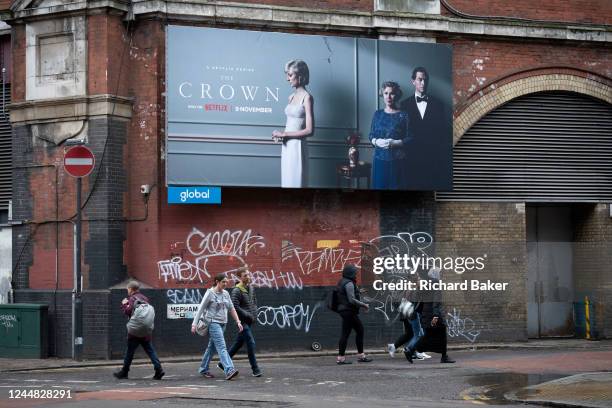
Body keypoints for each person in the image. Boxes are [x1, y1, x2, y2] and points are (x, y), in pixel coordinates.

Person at [191, 274, 244, 380]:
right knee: (222, 347)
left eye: (226, 282)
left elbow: (231, 308)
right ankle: (229, 370)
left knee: (211, 348)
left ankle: (203, 369)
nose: (225, 284)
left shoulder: (226, 294)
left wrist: (238, 321)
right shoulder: (210, 293)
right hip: (213, 323)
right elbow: (201, 309)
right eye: (223, 282)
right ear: (217, 281)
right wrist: (194, 324)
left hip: (223, 323)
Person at [272, 59, 314, 188]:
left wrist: (285, 134)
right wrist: (279, 135)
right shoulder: (290, 97)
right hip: (286, 146)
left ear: (300, 76)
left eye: (290, 75)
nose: (287, 79)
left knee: (297, 183)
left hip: (298, 147)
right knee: (287, 182)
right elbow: (290, 124)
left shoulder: (307, 97)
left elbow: (310, 130)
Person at [402, 67, 445, 185]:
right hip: (411, 158)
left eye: (425, 80)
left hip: (432, 158)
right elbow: (403, 131)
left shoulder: (438, 104)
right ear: (413, 81)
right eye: (420, 79)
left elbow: (442, 132)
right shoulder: (404, 104)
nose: (423, 83)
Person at [114, 280, 164, 380]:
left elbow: (128, 311)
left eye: (128, 289)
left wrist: (124, 304)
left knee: (130, 352)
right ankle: (159, 370)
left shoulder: (132, 299)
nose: (127, 291)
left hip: (135, 332)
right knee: (150, 351)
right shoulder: (145, 299)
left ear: (131, 289)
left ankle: (124, 372)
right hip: (146, 331)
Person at [217, 266, 262, 377]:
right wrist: (247, 315)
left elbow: (254, 301)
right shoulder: (237, 290)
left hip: (250, 320)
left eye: (248, 274)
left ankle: (223, 364)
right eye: (245, 275)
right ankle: (255, 369)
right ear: (240, 277)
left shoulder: (251, 288)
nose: (248, 276)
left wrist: (254, 312)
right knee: (250, 343)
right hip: (242, 322)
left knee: (238, 344)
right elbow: (234, 306)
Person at [369, 81, 413, 189]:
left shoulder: (404, 115)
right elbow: (371, 135)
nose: (389, 97)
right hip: (379, 161)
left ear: (397, 95)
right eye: (386, 93)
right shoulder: (377, 114)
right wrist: (376, 141)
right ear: (382, 95)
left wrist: (397, 143)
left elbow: (411, 137)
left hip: (397, 162)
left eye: (392, 93)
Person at [415, 267, 455, 363]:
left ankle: (444, 356)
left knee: (431, 335)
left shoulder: (426, 283)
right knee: (439, 335)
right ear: (435, 274)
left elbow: (419, 296)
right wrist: (436, 316)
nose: (441, 275)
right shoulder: (436, 283)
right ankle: (412, 349)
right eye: (439, 273)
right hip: (434, 314)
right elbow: (436, 301)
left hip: (426, 313)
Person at [336, 264, 373, 364]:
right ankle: (359, 356)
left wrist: (358, 291)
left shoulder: (342, 281)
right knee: (358, 331)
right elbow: (351, 300)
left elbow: (346, 294)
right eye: (355, 273)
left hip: (344, 311)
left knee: (347, 333)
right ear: (350, 273)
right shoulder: (349, 283)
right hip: (349, 311)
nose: (356, 274)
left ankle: (342, 358)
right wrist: (364, 305)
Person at [387, 289, 424, 363]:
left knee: (410, 333)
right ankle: (411, 351)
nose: (419, 279)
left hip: (406, 313)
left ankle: (394, 347)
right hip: (409, 313)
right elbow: (412, 301)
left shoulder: (408, 287)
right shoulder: (411, 288)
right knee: (414, 334)